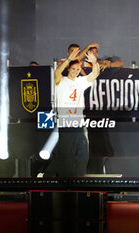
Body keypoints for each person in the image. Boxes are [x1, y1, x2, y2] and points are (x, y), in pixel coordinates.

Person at [44, 47, 100, 177]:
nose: (75, 71)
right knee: (65, 157)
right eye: (73, 69)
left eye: (78, 69)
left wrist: (94, 62)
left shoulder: (81, 82)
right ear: (68, 69)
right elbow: (57, 73)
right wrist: (69, 59)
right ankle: (46, 178)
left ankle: (78, 179)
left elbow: (95, 74)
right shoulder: (61, 81)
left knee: (83, 154)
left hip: (78, 122)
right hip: (65, 122)